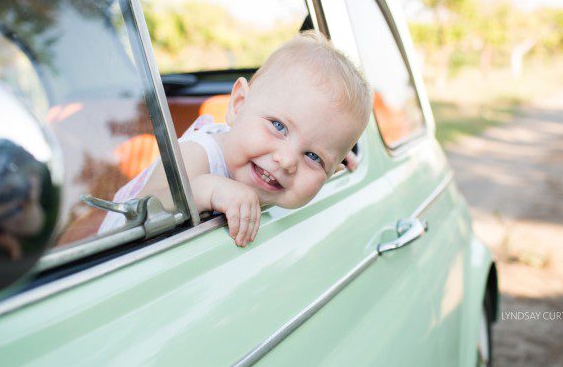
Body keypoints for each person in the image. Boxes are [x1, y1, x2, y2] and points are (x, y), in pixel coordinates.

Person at [99, 30, 372, 246]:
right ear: (239, 104)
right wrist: (212, 190)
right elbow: (149, 204)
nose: (287, 160)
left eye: (313, 156)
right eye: (278, 126)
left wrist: (330, 160)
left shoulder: (281, 165)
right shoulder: (199, 152)